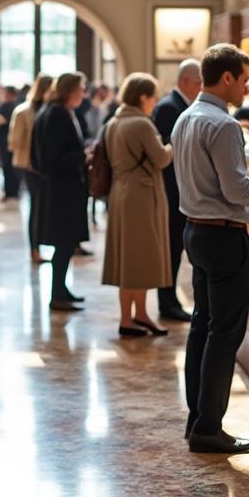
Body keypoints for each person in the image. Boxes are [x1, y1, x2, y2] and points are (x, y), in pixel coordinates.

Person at [173, 44, 249, 454]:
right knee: (225, 334)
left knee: (202, 327)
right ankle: (209, 427)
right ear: (226, 78)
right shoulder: (223, 125)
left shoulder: (186, 116)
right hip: (223, 236)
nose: (246, 87)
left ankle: (197, 419)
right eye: (244, 79)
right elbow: (236, 190)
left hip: (195, 231)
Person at [102, 73, 174, 338]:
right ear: (143, 97)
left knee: (128, 258)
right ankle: (131, 319)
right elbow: (161, 159)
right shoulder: (141, 124)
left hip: (120, 192)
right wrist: (174, 144)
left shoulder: (113, 122)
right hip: (140, 194)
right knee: (140, 256)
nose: (155, 101)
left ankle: (136, 315)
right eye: (153, 96)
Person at [32, 72, 90, 311]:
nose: (84, 93)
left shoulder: (54, 110)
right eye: (81, 88)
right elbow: (52, 158)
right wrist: (83, 155)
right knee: (63, 243)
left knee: (64, 244)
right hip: (61, 190)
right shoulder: (56, 114)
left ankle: (61, 289)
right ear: (70, 91)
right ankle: (57, 295)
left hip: (60, 188)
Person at [151, 59, 202, 323]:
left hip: (179, 189)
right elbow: (169, 153)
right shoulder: (169, 107)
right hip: (171, 190)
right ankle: (167, 302)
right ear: (184, 81)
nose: (201, 87)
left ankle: (170, 300)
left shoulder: (180, 105)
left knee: (175, 249)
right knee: (170, 249)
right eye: (198, 82)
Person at [8, 74, 53, 263]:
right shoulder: (23, 112)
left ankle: (42, 244)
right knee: (35, 207)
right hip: (30, 166)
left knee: (45, 208)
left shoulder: (51, 110)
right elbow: (14, 142)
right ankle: (34, 249)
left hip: (48, 167)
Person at [0, 85, 22, 201]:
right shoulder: (17, 106)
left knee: (7, 167)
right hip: (14, 141)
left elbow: (1, 121)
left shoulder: (6, 106)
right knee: (14, 167)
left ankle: (9, 192)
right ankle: (15, 191)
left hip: (5, 141)